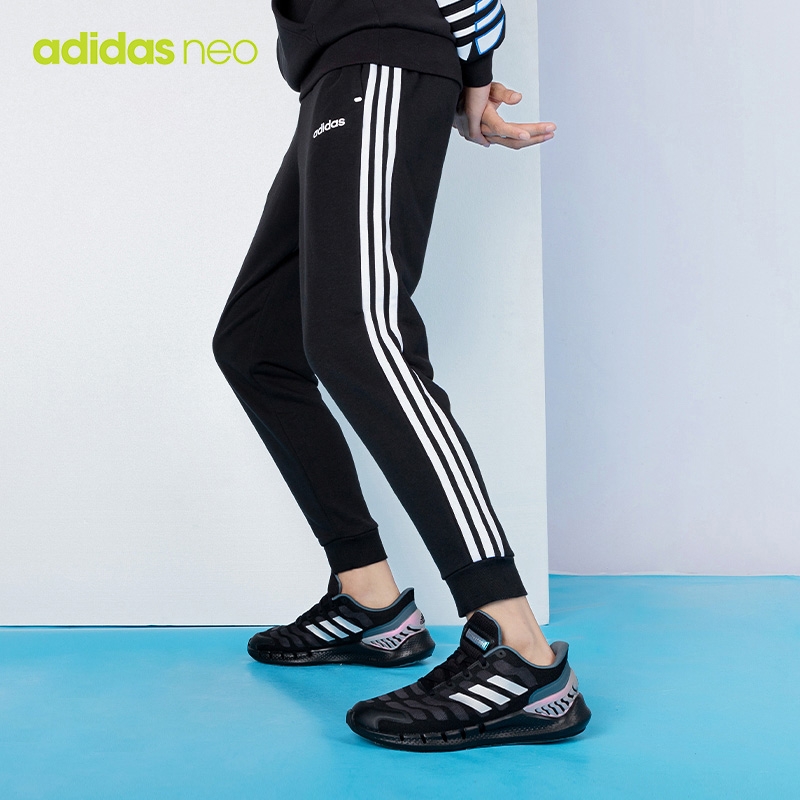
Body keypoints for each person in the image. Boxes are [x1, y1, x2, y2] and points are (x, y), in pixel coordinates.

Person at [212, 0, 591, 751]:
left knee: (361, 336)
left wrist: (474, 68)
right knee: (257, 345)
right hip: (336, 68)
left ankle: (520, 651)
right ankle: (371, 602)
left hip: (382, 49)